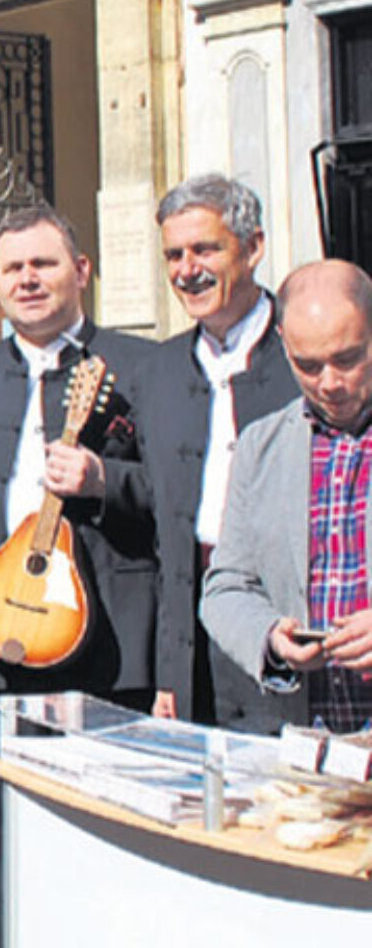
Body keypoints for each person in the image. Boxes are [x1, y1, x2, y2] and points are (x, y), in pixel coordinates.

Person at [0, 206, 156, 928]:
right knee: (15, 842)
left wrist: (106, 479)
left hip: (107, 648)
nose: (28, 280)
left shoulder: (142, 364)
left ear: (82, 271)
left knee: (110, 842)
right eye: (12, 268)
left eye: (43, 264)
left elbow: (176, 498)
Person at [133, 174, 298, 730]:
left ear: (253, 248)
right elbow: (158, 524)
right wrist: (168, 670)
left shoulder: (305, 359)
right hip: (194, 640)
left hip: (286, 630)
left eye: (205, 249)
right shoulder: (157, 371)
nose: (188, 270)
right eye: (174, 255)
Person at [202, 260, 372, 732]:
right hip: (305, 737)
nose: (330, 383)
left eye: (347, 359)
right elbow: (227, 586)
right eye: (308, 365)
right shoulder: (261, 447)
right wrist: (272, 638)